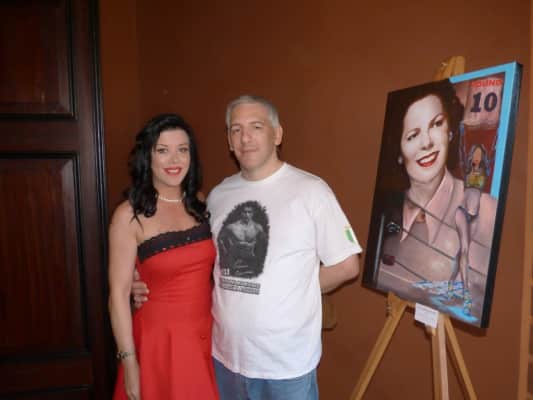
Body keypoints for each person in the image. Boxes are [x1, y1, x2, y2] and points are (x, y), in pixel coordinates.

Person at [133, 95, 362, 399]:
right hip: (225, 357)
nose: (245, 137)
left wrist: (295, 289)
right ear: (229, 141)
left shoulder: (311, 191)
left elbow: (347, 265)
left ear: (277, 134)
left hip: (285, 365)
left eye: (256, 126)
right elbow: (197, 258)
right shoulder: (218, 196)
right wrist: (141, 280)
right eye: (236, 129)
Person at [108, 114, 219, 399]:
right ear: (148, 156)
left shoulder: (200, 202)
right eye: (163, 150)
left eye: (182, 149)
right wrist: (129, 362)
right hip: (160, 341)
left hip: (208, 334)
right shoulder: (128, 215)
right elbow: (118, 296)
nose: (174, 160)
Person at [372, 79, 497, 322]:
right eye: (412, 135)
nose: (427, 142)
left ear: (450, 131)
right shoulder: (385, 216)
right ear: (398, 152)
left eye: (437, 124)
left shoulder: (486, 213)